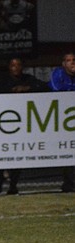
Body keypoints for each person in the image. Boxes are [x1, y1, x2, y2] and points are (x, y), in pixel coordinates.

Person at [0, 57, 48, 195]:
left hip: (21, 124)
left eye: (18, 65)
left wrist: (27, 88)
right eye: (13, 65)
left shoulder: (28, 79)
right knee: (4, 155)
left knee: (18, 156)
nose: (15, 67)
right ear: (9, 67)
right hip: (5, 122)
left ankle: (13, 185)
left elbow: (43, 86)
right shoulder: (1, 81)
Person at [49, 51, 75, 193]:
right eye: (68, 60)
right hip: (60, 119)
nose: (72, 63)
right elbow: (56, 89)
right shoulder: (58, 73)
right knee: (66, 151)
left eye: (74, 60)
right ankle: (68, 183)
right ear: (63, 64)